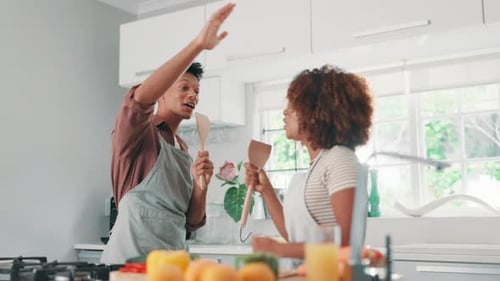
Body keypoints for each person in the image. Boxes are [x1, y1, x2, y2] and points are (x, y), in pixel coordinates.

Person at [100, 3, 236, 264]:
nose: (193, 95)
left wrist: (201, 184)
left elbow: (192, 222)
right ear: (161, 91)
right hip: (128, 268)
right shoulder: (138, 134)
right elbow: (139, 99)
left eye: (197, 92)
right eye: (184, 87)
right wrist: (198, 45)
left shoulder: (183, 150)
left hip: (170, 267)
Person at [245, 65, 373, 261]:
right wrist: (266, 190)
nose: (285, 112)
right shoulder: (318, 166)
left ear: (317, 112)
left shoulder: (340, 159)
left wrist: (278, 250)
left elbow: (348, 246)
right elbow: (293, 235)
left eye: (293, 105)